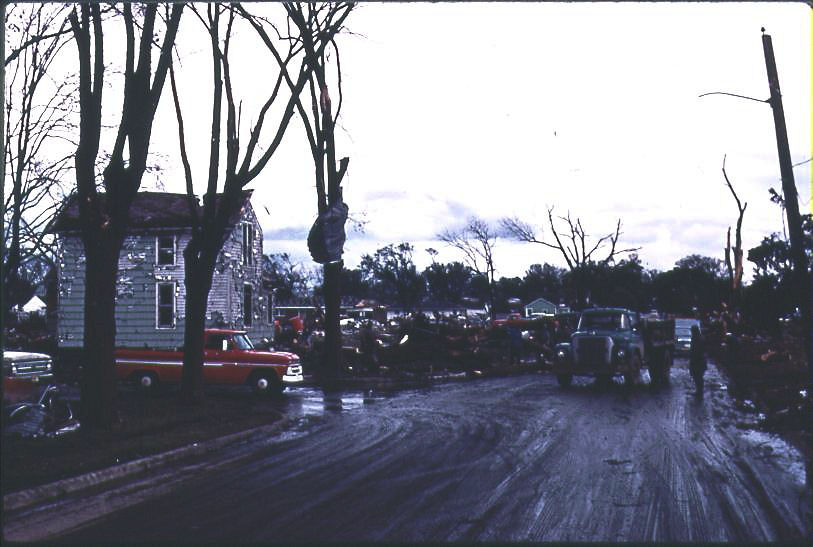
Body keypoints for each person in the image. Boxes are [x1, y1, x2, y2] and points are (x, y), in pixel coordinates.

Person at [689, 325, 706, 396]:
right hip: (699, 361)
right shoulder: (699, 338)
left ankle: (699, 391)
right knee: (698, 376)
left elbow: (696, 351)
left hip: (698, 361)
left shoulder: (697, 339)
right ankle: (699, 391)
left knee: (698, 376)